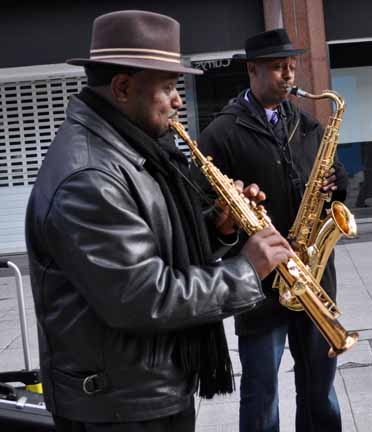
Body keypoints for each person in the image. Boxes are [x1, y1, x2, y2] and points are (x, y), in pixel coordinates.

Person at [25, 11, 294, 432]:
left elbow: (152, 246)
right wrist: (248, 270)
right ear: (123, 87)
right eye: (168, 88)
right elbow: (142, 297)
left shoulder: (130, 149)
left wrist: (217, 228)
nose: (179, 100)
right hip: (118, 407)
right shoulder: (90, 177)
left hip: (142, 390)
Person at [198, 29, 349, 432]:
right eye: (278, 67)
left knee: (320, 390)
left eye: (291, 66)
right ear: (252, 70)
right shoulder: (221, 133)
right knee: (262, 393)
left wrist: (336, 180)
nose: (288, 74)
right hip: (263, 289)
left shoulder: (306, 123)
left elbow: (334, 187)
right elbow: (206, 210)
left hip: (314, 277)